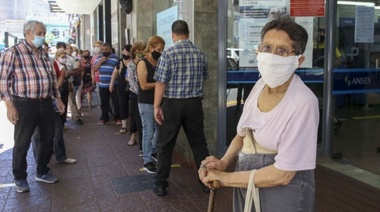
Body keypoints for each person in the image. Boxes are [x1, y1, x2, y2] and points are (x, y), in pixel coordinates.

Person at [198, 13, 319, 211]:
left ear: (298, 59)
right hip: (247, 178)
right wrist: (224, 162)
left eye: (282, 50)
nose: (272, 56)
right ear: (258, 50)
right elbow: (244, 133)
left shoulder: (303, 102)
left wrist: (226, 178)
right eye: (267, 48)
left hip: (281, 190)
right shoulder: (260, 85)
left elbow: (284, 174)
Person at [0, 20, 65, 193]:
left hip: (45, 103)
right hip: (24, 104)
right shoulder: (13, 52)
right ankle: (20, 177)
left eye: (44, 33)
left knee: (47, 140)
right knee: (22, 143)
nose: (42, 37)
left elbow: (51, 78)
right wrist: (9, 106)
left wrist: (57, 98)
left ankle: (42, 171)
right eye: (39, 33)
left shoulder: (44, 53)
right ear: (27, 33)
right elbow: (3, 81)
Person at [153, 20, 210, 196]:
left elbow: (161, 82)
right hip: (194, 103)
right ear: (188, 32)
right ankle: (206, 181)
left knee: (165, 144)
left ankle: (161, 183)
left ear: (173, 34)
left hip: (172, 104)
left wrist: (156, 106)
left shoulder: (168, 53)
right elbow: (205, 76)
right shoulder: (199, 53)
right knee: (199, 143)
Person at [31, 49, 76, 164]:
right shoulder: (24, 63)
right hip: (32, 103)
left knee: (57, 129)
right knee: (36, 134)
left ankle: (60, 156)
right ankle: (39, 162)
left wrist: (58, 99)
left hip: (50, 101)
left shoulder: (49, 62)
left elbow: (56, 81)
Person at [137, 35, 165, 174]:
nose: (160, 52)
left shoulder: (158, 62)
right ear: (151, 47)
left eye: (162, 50)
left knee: (159, 129)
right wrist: (160, 84)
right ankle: (147, 159)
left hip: (158, 101)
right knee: (148, 131)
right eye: (159, 49)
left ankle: (152, 151)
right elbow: (143, 85)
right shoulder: (143, 63)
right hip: (146, 102)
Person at [91, 42, 120, 125]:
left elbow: (118, 70)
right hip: (102, 84)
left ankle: (117, 117)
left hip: (114, 84)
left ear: (110, 50)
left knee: (116, 101)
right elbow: (94, 69)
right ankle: (104, 117)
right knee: (104, 102)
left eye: (106, 50)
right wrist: (100, 61)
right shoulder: (99, 58)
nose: (104, 51)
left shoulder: (116, 58)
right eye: (103, 50)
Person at [127, 41, 146, 148]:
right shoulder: (131, 64)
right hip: (136, 94)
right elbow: (131, 80)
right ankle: (142, 147)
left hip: (146, 94)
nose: (140, 52)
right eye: (138, 50)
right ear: (134, 51)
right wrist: (141, 91)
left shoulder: (147, 62)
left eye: (143, 50)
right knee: (138, 119)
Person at [110, 44, 132, 134]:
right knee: (122, 105)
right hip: (121, 86)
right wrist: (111, 83)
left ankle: (134, 125)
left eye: (125, 51)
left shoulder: (135, 61)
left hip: (132, 87)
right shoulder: (120, 61)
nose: (123, 53)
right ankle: (124, 125)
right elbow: (115, 72)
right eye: (122, 51)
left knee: (133, 106)